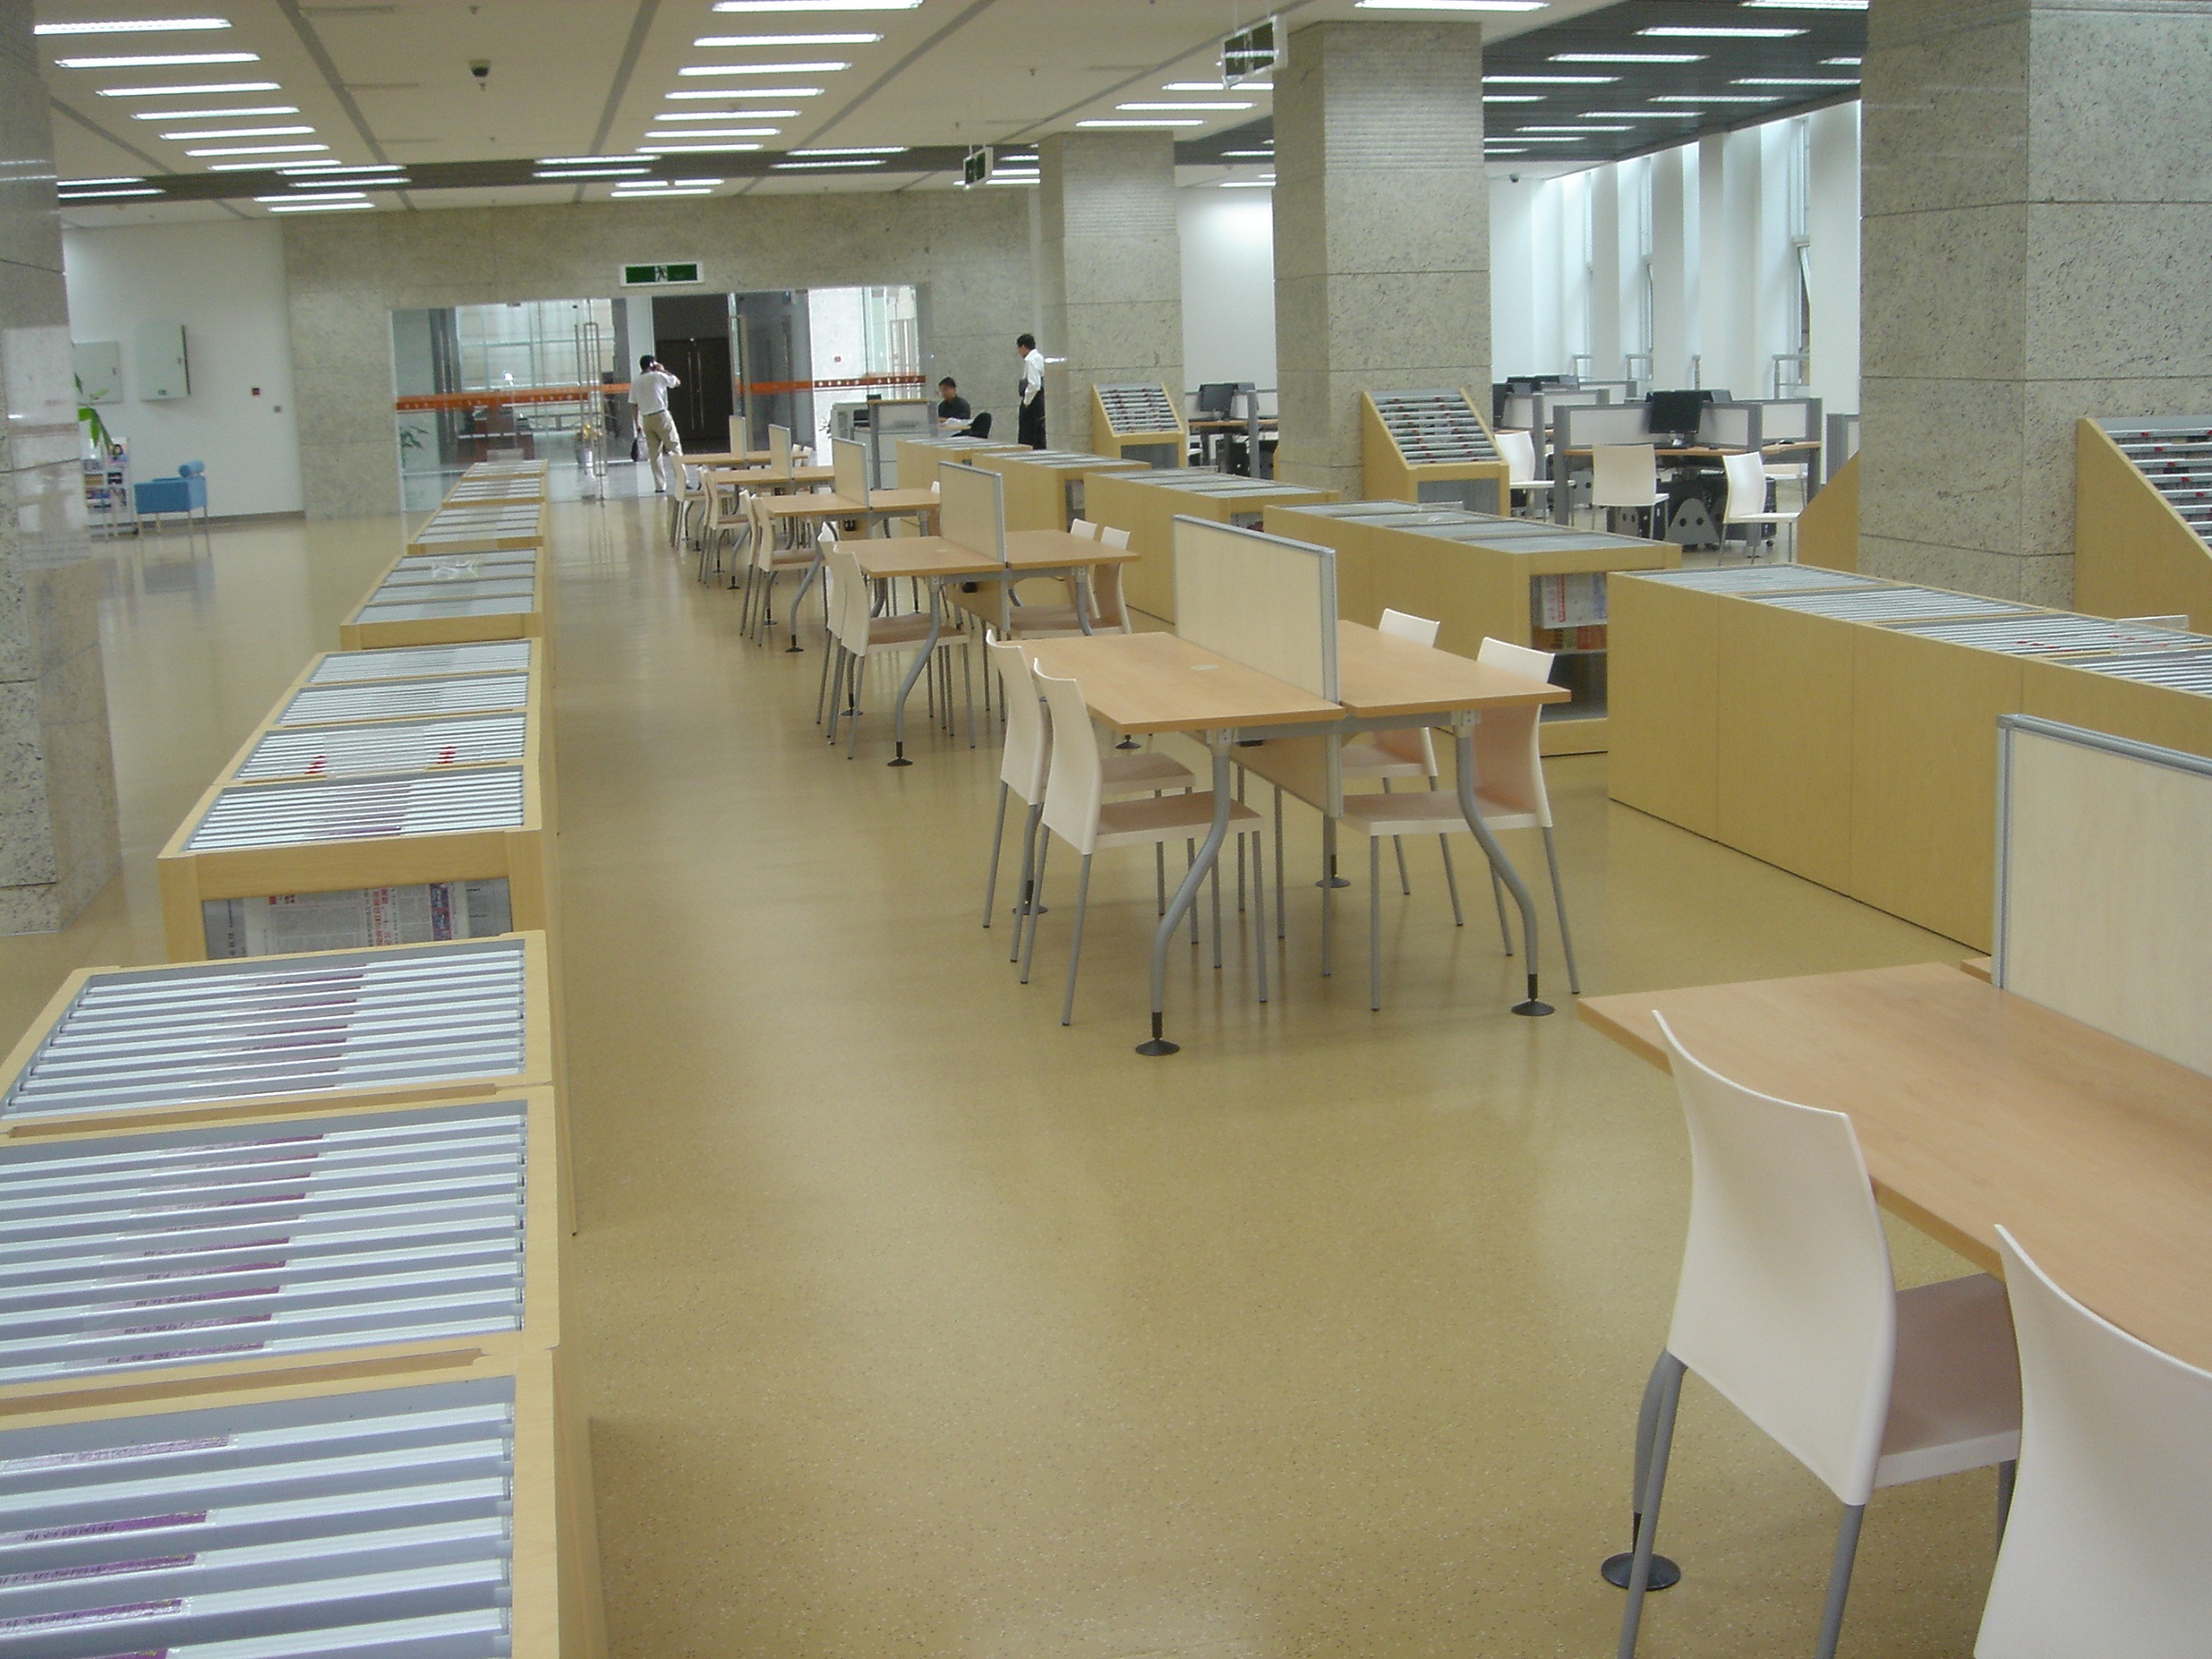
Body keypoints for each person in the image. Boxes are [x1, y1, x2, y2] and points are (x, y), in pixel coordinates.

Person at [630, 354, 683, 493]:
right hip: (661, 416)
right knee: (674, 447)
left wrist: (637, 423)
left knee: (654, 454)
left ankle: (660, 485)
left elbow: (634, 405)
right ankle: (682, 480)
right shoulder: (657, 376)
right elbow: (677, 382)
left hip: (646, 419)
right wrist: (663, 370)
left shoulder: (635, 382)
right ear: (652, 364)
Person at [1015, 333, 1046, 448]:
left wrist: (1026, 402)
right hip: (1040, 402)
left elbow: (1034, 384)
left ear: (1023, 347)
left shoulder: (1030, 360)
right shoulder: (1039, 358)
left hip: (1032, 403)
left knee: (1027, 438)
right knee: (1039, 437)